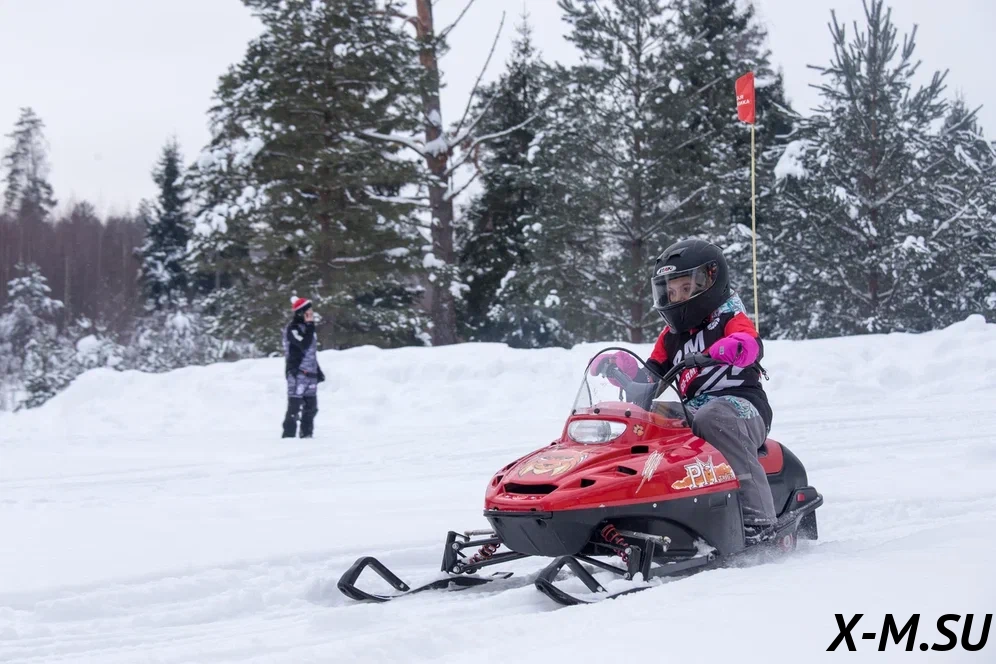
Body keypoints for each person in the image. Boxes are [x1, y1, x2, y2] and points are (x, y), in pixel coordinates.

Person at [593, 238, 777, 541]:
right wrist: (622, 370)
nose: (677, 298)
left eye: (686, 289)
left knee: (713, 417)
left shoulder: (730, 318)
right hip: (695, 409)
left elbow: (750, 345)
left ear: (710, 281)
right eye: (671, 291)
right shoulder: (670, 337)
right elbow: (651, 376)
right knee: (648, 423)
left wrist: (731, 347)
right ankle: (643, 507)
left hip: (743, 407)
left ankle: (759, 520)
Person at [282, 296, 325, 438]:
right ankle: (288, 436)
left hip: (310, 374)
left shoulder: (309, 330)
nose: (311, 314)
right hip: (297, 373)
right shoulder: (292, 329)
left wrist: (318, 371)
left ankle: (306, 434)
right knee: (294, 407)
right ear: (301, 312)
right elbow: (303, 344)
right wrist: (311, 326)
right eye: (308, 311)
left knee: (312, 407)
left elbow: (311, 353)